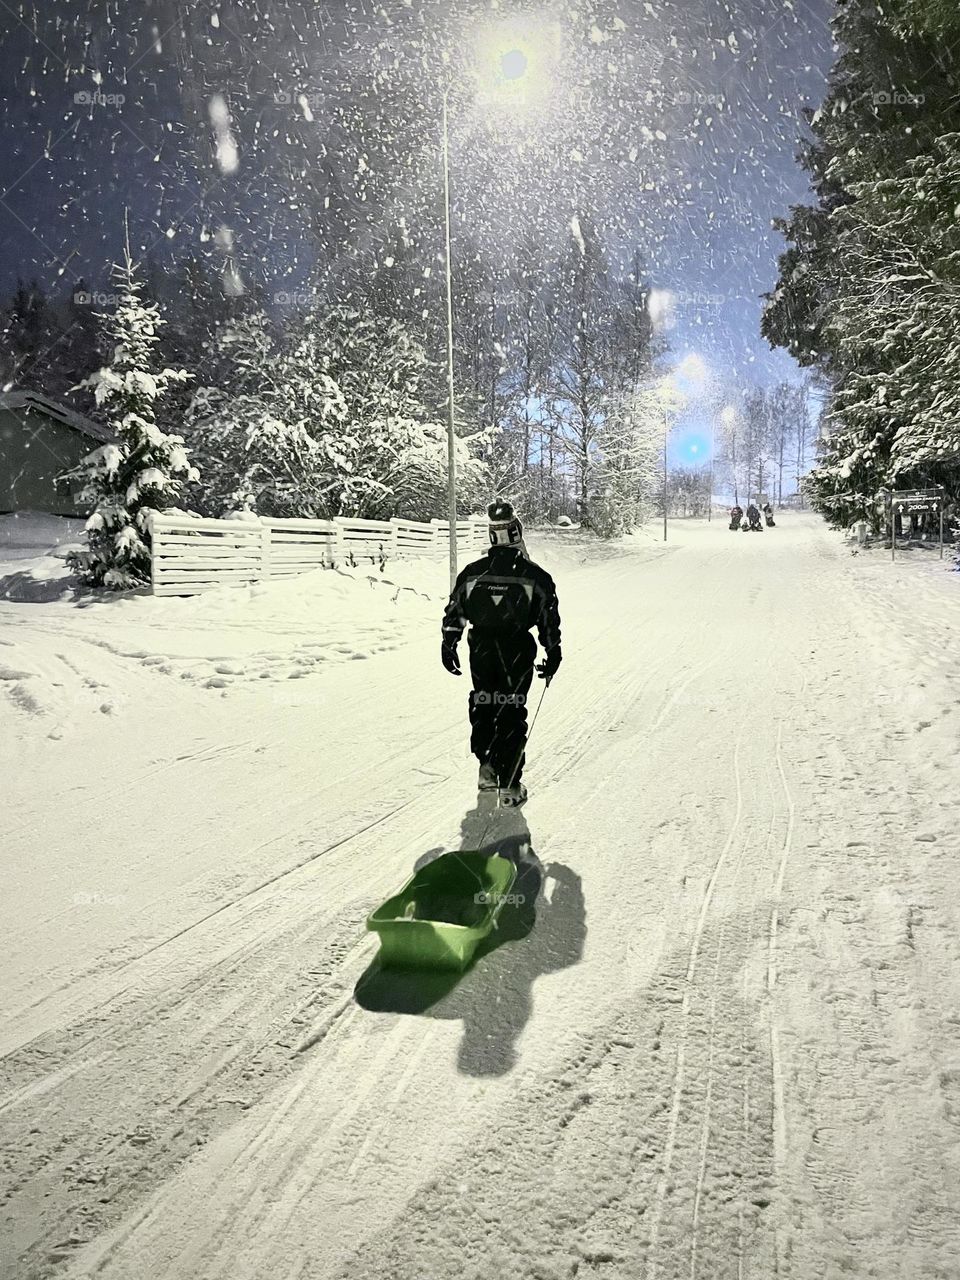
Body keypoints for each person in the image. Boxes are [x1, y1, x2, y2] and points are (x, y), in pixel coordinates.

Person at [441, 501, 562, 807]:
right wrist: (553, 650)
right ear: (517, 532)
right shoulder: (535, 577)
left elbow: (455, 611)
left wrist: (449, 642)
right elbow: (548, 616)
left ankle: (487, 768)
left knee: (484, 704)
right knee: (511, 709)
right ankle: (509, 782)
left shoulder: (472, 574)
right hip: (516, 650)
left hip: (481, 650)